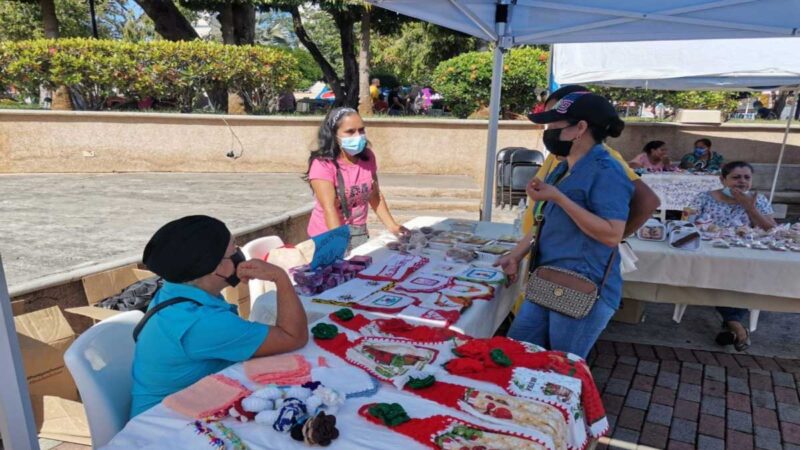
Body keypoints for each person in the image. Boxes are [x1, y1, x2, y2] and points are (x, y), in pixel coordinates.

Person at [496, 92, 634, 358]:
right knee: (516, 354)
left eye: (554, 126)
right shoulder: (564, 167)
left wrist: (558, 197)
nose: (547, 132)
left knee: (562, 368)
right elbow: (543, 222)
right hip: (547, 280)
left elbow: (611, 235)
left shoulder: (607, 171)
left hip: (581, 287)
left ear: (580, 129)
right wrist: (516, 255)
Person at [130, 215, 308, 417]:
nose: (239, 255)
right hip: (163, 427)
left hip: (182, 405)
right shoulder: (201, 321)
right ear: (212, 267)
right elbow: (294, 337)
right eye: (233, 251)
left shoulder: (175, 290)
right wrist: (280, 277)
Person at [520, 85, 660, 242]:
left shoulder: (605, 163)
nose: (549, 130)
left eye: (555, 122)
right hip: (544, 253)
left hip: (574, 262)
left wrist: (606, 242)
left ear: (580, 127)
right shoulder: (563, 160)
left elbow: (647, 201)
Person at [686, 161, 776, 352]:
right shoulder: (705, 198)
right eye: (736, 177)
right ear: (722, 179)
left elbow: (771, 229)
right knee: (719, 275)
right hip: (709, 255)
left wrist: (750, 208)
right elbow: (687, 222)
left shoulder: (757, 200)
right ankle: (736, 325)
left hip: (745, 255)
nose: (742, 182)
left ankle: (733, 325)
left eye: (746, 177)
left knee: (741, 278)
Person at [305, 107, 408, 249]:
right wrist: (337, 243)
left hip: (358, 232)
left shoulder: (367, 157)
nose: (358, 136)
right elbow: (329, 208)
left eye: (361, 130)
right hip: (328, 234)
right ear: (333, 134)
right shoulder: (323, 165)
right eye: (350, 131)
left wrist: (393, 226)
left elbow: (374, 195)